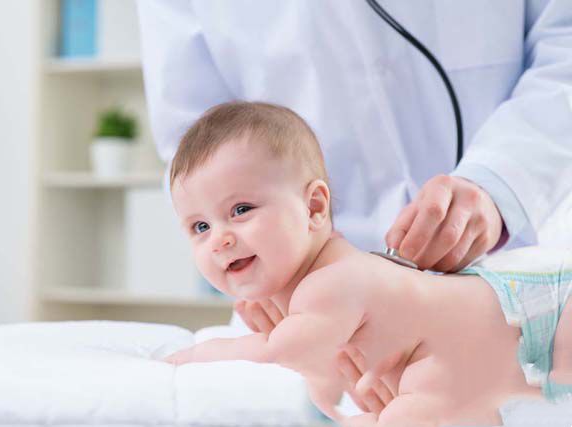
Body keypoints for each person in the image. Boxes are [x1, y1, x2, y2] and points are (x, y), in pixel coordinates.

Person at [164, 101, 572, 426]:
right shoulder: (326, 290)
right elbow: (328, 384)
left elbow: (275, 352)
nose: (220, 238)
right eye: (200, 226)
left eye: (241, 210)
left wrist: (194, 354)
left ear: (314, 207)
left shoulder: (330, 284)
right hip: (485, 364)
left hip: (537, 316)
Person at [137, 0, 572, 274]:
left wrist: (499, 182)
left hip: (510, 260)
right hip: (292, 283)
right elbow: (195, 146)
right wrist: (253, 268)